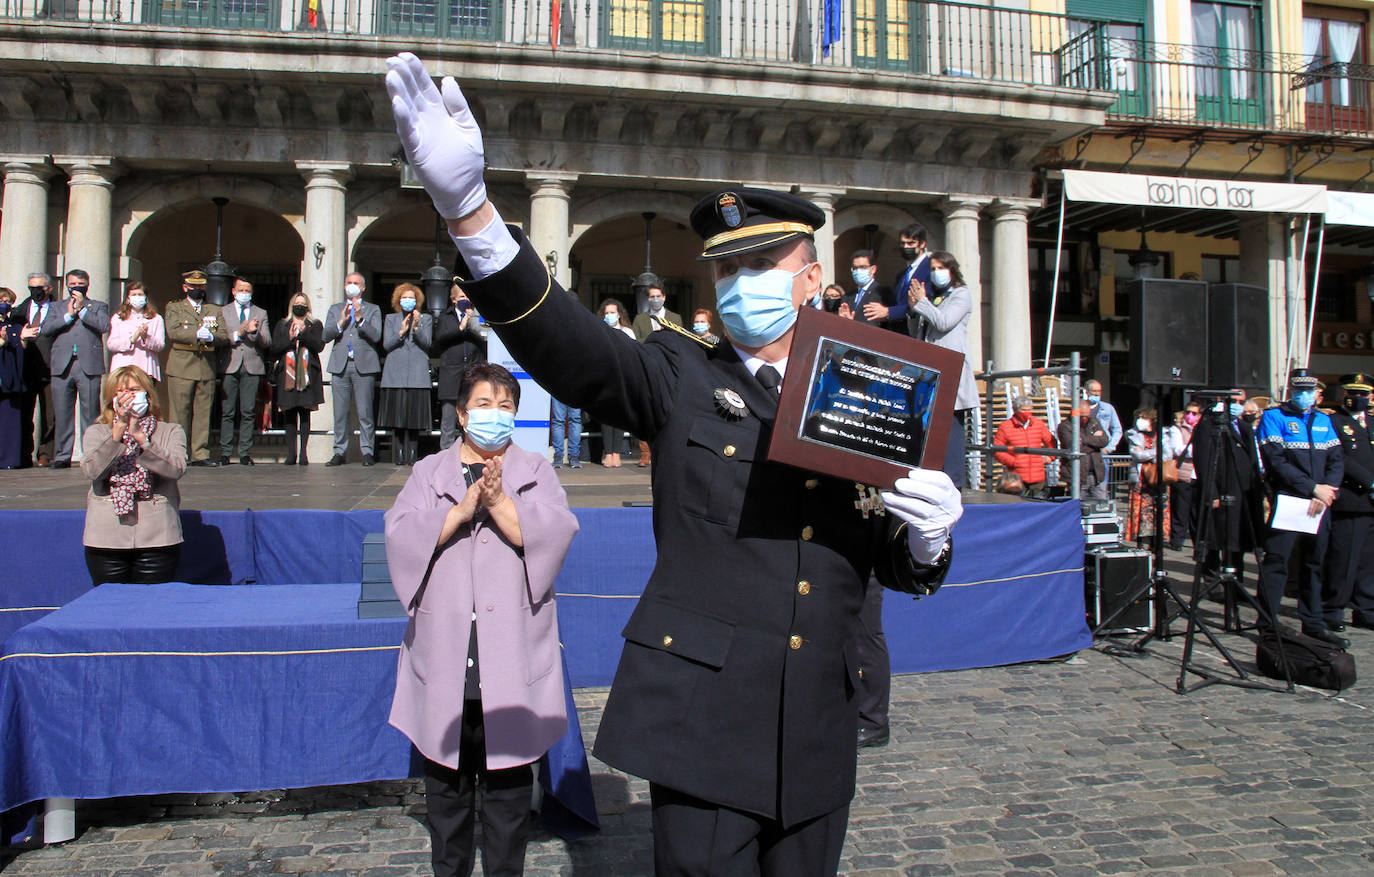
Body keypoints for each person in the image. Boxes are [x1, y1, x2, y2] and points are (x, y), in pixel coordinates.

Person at [387, 52, 962, 876]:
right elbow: (574, 349)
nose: (737, 284)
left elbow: (886, 558)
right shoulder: (678, 371)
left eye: (758, 267)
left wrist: (932, 540)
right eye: (725, 268)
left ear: (809, 280)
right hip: (705, 718)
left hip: (816, 724)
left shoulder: (863, 387)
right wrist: (472, 214)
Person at [384, 362, 578, 877]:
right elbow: (400, 537)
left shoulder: (534, 470)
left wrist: (499, 501)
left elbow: (553, 534)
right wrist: (462, 507)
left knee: (509, 800)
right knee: (445, 798)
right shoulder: (429, 472)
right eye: (485, 405)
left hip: (510, 657)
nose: (496, 416)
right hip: (447, 655)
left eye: (506, 406)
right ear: (461, 415)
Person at [1256, 368, 1345, 646]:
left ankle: (1314, 622)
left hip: (1321, 501)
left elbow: (1336, 458)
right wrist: (1311, 487)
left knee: (1314, 563)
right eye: (1299, 390)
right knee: (1277, 562)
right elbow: (1276, 461)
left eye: (1310, 390)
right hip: (1291, 498)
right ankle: (1267, 622)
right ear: (1291, 390)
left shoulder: (1322, 420)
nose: (1305, 395)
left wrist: (1326, 489)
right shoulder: (1274, 417)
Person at [80, 365, 188, 586]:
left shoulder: (170, 431)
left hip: (157, 538)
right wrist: (117, 435)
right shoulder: (97, 432)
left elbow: (176, 469)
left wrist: (142, 440)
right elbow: (92, 470)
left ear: (147, 394)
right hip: (106, 540)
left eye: (134, 389)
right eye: (121, 391)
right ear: (112, 398)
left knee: (151, 608)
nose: (127, 396)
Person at [906, 250, 978, 488]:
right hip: (930, 373)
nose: (936, 273)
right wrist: (914, 307)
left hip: (951, 372)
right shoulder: (936, 297)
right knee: (930, 428)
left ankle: (955, 482)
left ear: (951, 268)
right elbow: (924, 328)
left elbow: (944, 322)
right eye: (933, 269)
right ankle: (935, 479)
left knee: (952, 429)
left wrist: (923, 302)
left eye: (940, 268)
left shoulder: (961, 294)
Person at [40, 268, 111, 469]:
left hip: (87, 364)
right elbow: (46, 329)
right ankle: (62, 455)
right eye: (72, 284)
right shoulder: (56, 307)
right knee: (62, 413)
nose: (76, 287)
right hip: (62, 365)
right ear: (66, 285)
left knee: (90, 413)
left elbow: (104, 326)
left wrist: (83, 310)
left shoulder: (97, 306)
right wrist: (69, 315)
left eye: (80, 284)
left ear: (87, 285)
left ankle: (91, 454)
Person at [164, 269, 229, 467]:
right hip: (182, 364)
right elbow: (173, 331)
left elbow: (224, 334)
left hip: (205, 366)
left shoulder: (214, 310)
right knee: (179, 413)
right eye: (193, 286)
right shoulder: (175, 308)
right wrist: (196, 334)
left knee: (203, 413)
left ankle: (200, 453)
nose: (197, 290)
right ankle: (178, 452)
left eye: (200, 286)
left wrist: (212, 337)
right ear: (185, 288)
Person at [323, 272, 384, 466]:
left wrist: (360, 318)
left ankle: (367, 451)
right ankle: (339, 451)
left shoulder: (373, 309)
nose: (352, 286)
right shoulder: (335, 309)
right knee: (340, 413)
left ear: (363, 287)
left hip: (364, 366)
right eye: (349, 282)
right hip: (341, 366)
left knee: (365, 412)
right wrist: (340, 323)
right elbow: (325, 335)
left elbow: (376, 336)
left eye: (356, 283)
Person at [218, 277, 272, 466]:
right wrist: (239, 333)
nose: (244, 293)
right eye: (241, 290)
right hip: (230, 364)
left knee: (248, 411)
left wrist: (254, 333)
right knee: (227, 411)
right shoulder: (223, 312)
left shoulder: (260, 312)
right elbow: (220, 337)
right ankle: (225, 451)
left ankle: (244, 452)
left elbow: (267, 342)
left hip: (252, 365)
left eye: (247, 290)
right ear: (233, 291)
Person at [379, 282, 434, 467]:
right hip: (395, 373)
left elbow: (427, 344)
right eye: (404, 297)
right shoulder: (391, 318)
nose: (408, 300)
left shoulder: (425, 318)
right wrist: (401, 331)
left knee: (414, 417)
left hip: (417, 373)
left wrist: (416, 328)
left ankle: (412, 452)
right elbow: (386, 344)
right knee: (398, 416)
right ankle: (399, 452)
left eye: (411, 297)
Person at [269, 292, 325, 466]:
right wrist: (291, 338)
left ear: (307, 307)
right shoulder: (282, 324)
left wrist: (304, 333)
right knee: (290, 413)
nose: (299, 306)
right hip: (288, 374)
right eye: (297, 303)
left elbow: (319, 346)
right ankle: (291, 453)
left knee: (305, 413)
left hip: (308, 374)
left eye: (303, 304)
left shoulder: (314, 324)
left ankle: (303, 453)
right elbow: (275, 348)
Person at [630, 282, 680, 467]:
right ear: (648, 299)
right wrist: (657, 336)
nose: (655, 299)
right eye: (652, 296)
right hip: (647, 367)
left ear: (664, 297)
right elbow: (636, 341)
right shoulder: (640, 319)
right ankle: (645, 453)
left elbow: (679, 340)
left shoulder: (675, 317)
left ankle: (667, 449)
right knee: (646, 407)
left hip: (668, 369)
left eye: (658, 295)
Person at [434, 283, 487, 450]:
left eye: (467, 297)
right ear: (454, 299)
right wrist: (460, 328)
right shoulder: (445, 317)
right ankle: (446, 455)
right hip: (451, 373)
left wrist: (470, 322)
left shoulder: (477, 316)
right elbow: (439, 339)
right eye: (462, 297)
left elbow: (485, 338)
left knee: (472, 417)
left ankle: (472, 452)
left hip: (472, 373)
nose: (466, 299)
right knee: (449, 420)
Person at [13, 272, 56, 467]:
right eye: (32, 288)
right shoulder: (20, 311)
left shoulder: (58, 309)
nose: (35, 292)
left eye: (39, 288)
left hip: (50, 368)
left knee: (50, 416)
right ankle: (23, 453)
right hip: (25, 369)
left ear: (49, 288)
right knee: (24, 414)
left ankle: (45, 454)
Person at [1124, 407, 1182, 546]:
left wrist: (1149, 453)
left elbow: (1168, 454)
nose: (1140, 421)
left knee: (1159, 511)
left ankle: (1157, 545)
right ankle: (1142, 543)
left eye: (1143, 417)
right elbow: (1137, 455)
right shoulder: (1133, 434)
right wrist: (1156, 453)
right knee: (1142, 513)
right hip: (1142, 479)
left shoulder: (1163, 434)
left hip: (1159, 478)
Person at [596, 297, 635, 468]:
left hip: (622, 379)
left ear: (619, 314)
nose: (610, 315)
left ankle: (617, 453)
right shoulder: (598, 330)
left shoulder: (628, 332)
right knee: (606, 417)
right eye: (607, 313)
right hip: (604, 377)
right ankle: (608, 452)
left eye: (612, 312)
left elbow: (635, 355)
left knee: (619, 416)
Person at [994, 396, 1056, 497]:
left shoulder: (1038, 424)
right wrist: (1013, 461)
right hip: (1016, 478)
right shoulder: (1005, 426)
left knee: (1038, 505)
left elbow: (1051, 442)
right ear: (1015, 410)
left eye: (1029, 410)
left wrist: (1049, 458)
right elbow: (997, 449)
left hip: (1038, 477)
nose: (1027, 413)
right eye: (1023, 410)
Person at [106, 282, 166, 383]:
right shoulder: (118, 318)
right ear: (128, 299)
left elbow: (160, 345)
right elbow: (111, 344)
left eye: (140, 295)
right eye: (134, 295)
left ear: (146, 298)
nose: (137, 297)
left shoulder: (156, 318)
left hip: (146, 368)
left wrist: (145, 337)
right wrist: (132, 339)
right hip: (123, 367)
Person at [1168, 399, 1203, 550]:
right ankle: (1177, 540)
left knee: (1197, 511)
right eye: (1188, 412)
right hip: (1183, 474)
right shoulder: (1177, 429)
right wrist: (1198, 449)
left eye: (1194, 413)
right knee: (1180, 509)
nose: (1190, 415)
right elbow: (1178, 449)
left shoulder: (1202, 428)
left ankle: (1198, 542)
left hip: (1199, 474)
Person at [1082, 379, 1123, 499]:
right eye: (1093, 391)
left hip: (1101, 454)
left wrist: (1109, 448)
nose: (1096, 394)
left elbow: (1117, 429)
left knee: (1101, 489)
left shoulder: (1107, 408)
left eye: (1099, 391)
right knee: (1081, 489)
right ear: (1086, 391)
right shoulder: (1080, 407)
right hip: (1084, 453)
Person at [1056, 405, 1109, 496]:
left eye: (1087, 416)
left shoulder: (1093, 422)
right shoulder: (1065, 426)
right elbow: (1074, 447)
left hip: (1096, 474)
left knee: (1101, 505)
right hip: (1077, 475)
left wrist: (1083, 440)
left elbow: (1104, 440)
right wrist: (1095, 443)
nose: (1084, 419)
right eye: (1082, 416)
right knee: (1077, 506)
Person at [0, 288, 24, 469]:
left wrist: (19, 340)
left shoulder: (14, 326)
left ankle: (8, 459)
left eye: (8, 301)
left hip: (9, 378)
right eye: (1, 299)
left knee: (9, 419)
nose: (5, 303)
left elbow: (20, 348)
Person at [892, 223, 931, 324]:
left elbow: (926, 302)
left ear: (922, 244)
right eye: (902, 243)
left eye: (911, 243)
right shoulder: (902, 275)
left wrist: (889, 312)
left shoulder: (930, 269)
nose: (905, 247)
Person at [850, 249, 898, 331]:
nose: (858, 271)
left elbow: (894, 320)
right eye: (855, 268)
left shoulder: (883, 292)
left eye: (863, 267)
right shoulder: (848, 296)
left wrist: (886, 314)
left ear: (873, 269)